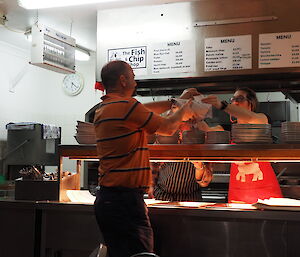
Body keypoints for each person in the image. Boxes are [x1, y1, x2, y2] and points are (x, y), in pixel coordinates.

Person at [93, 60, 197, 257]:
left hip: (109, 199)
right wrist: (186, 107)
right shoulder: (126, 106)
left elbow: (145, 110)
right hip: (125, 202)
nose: (136, 81)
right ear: (123, 80)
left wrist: (176, 102)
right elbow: (167, 128)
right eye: (132, 75)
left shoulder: (106, 107)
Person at [201, 87, 283, 203]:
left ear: (251, 103)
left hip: (266, 195)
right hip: (238, 195)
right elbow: (207, 130)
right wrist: (194, 115)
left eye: (240, 98)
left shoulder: (262, 119)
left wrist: (223, 106)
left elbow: (250, 117)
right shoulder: (228, 131)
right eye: (233, 99)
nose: (235, 102)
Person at [151, 104, 214, 202]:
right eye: (175, 120)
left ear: (192, 122)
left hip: (190, 200)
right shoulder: (164, 139)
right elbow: (152, 166)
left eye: (183, 121)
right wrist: (151, 186)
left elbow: (205, 182)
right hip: (163, 197)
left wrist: (199, 167)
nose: (179, 125)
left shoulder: (199, 140)